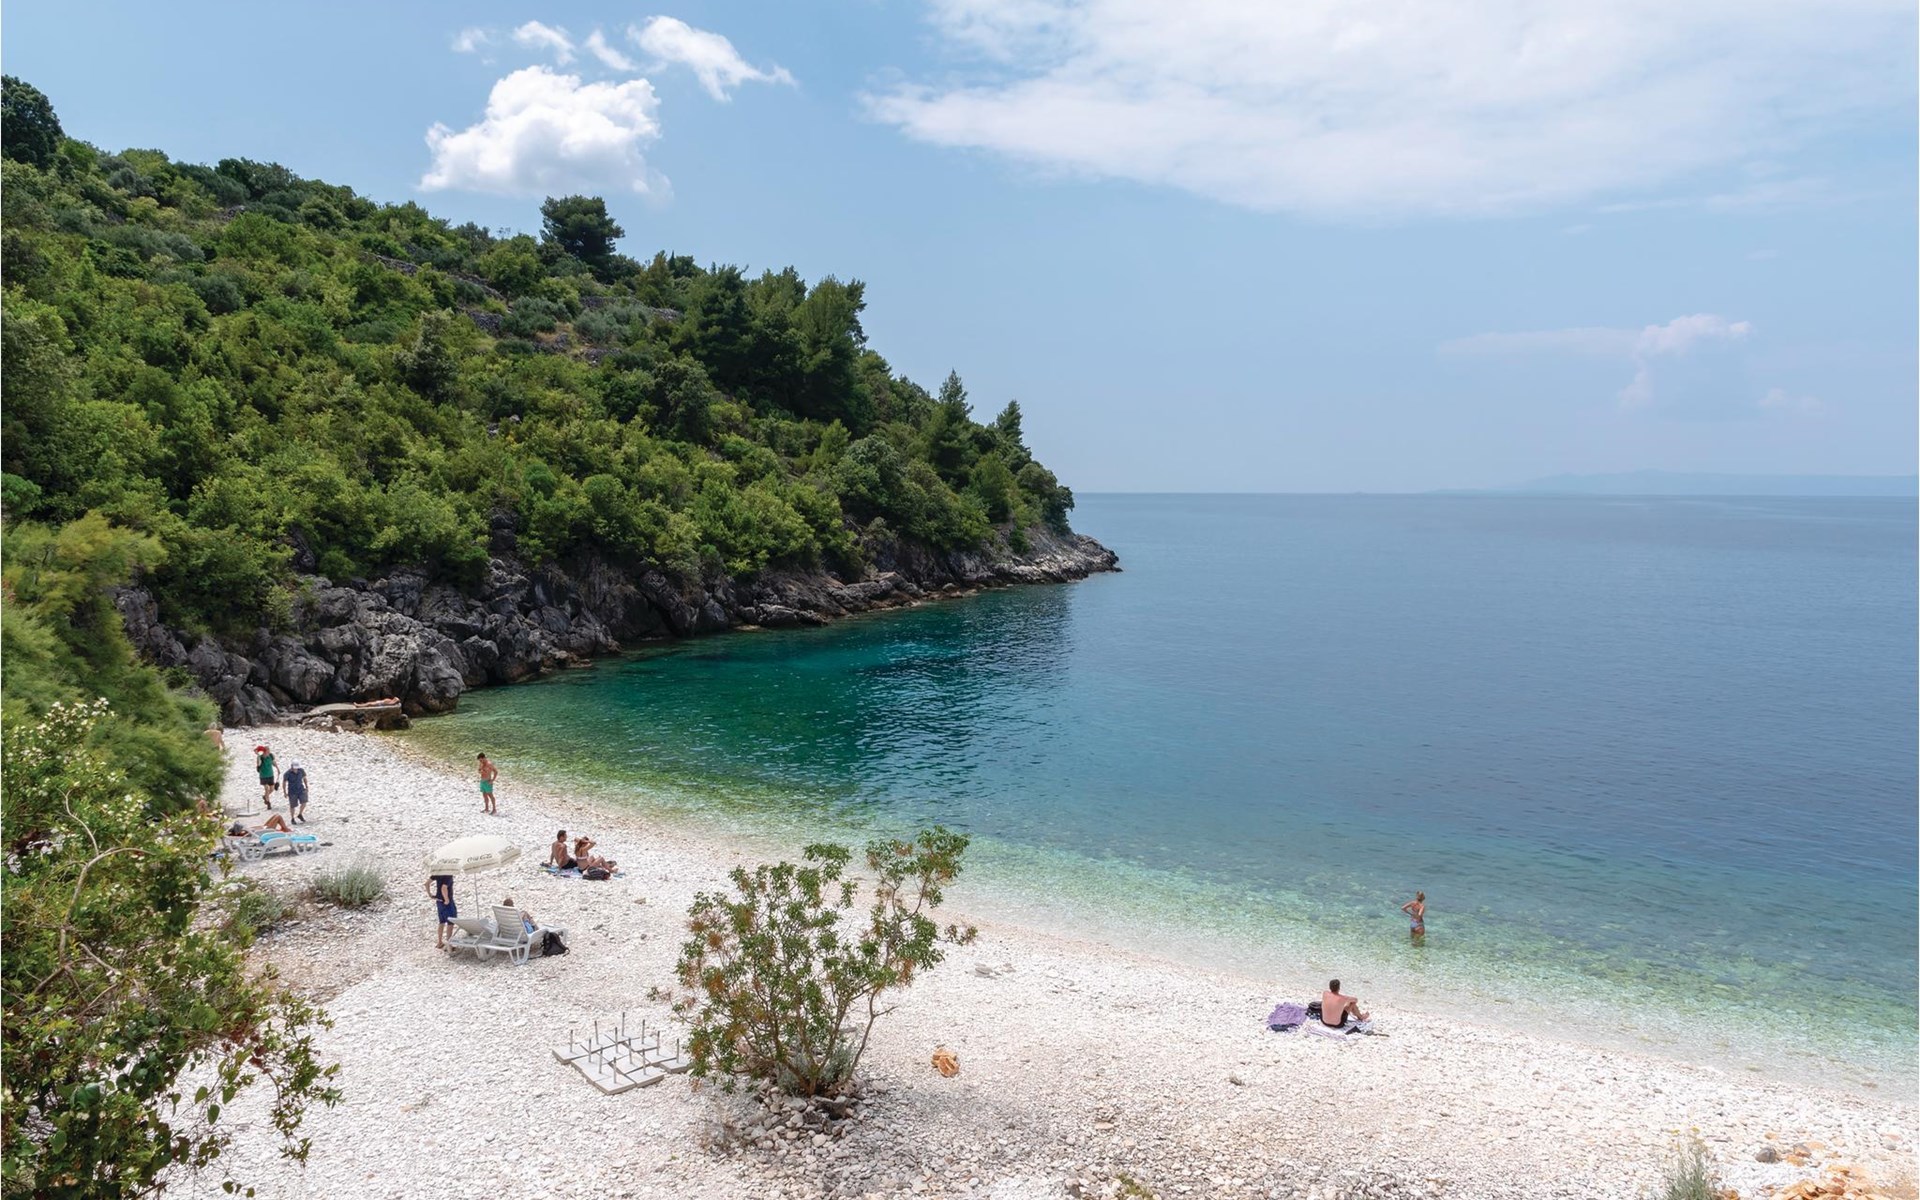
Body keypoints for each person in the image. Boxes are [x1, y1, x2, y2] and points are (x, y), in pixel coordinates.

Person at [428, 874, 457, 950]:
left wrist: (430, 894)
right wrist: (447, 899)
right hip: (447, 903)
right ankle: (449, 945)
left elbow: (427, 883)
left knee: (442, 922)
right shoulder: (448, 875)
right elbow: (443, 888)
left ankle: (439, 942)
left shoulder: (438, 873)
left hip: (439, 901)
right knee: (451, 922)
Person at [228, 814, 294, 836]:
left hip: (263, 828)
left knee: (276, 815)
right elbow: (253, 832)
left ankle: (285, 829)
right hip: (265, 830)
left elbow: (253, 829)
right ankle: (287, 830)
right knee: (278, 816)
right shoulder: (243, 832)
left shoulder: (243, 831)